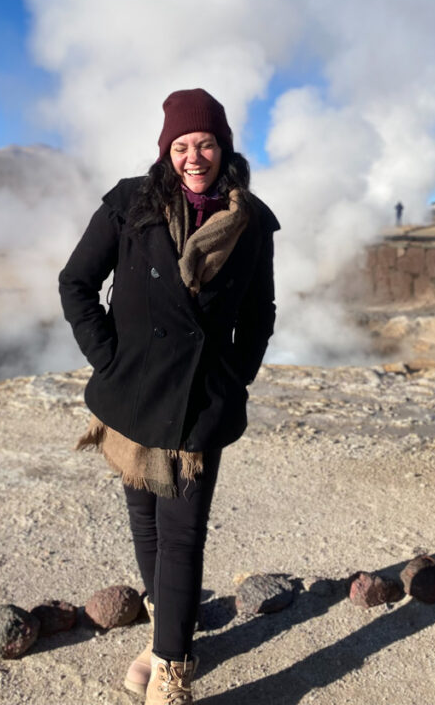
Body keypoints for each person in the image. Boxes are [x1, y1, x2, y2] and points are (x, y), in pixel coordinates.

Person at [59, 88, 278, 704]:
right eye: (181, 145)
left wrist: (236, 375)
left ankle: (172, 667)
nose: (193, 155)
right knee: (145, 521)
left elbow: (259, 312)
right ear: (167, 150)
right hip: (132, 396)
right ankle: (166, 630)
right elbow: (76, 282)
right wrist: (108, 357)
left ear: (223, 147)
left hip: (198, 401)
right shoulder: (131, 202)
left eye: (205, 143)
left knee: (183, 533)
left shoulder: (251, 220)